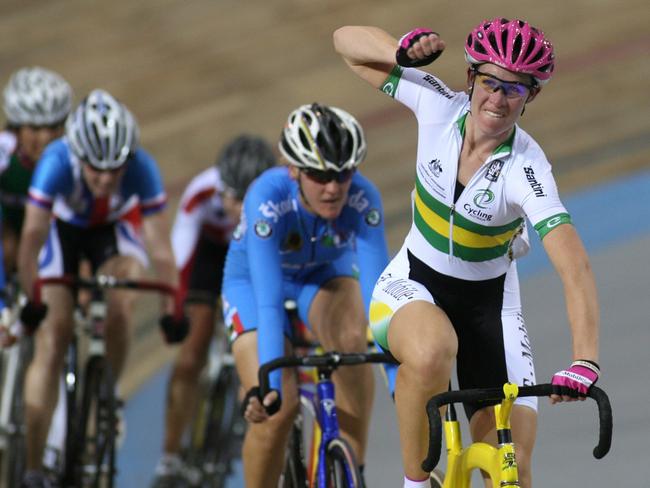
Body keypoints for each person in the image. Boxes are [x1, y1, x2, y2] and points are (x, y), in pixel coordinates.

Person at [333, 18, 600, 488]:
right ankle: (415, 483)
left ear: (531, 97)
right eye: (490, 83)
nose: (497, 99)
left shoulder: (528, 169)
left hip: (490, 310)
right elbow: (346, 43)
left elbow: (573, 265)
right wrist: (400, 52)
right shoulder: (437, 104)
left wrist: (585, 360)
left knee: (511, 468)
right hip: (412, 285)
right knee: (433, 348)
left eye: (514, 90)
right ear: (470, 78)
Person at [17, 88, 187, 488]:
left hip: (113, 231)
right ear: (78, 156)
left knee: (122, 302)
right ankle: (33, 466)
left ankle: (107, 393)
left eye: (117, 168)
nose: (107, 178)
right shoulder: (56, 162)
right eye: (97, 169)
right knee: (54, 335)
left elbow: (161, 251)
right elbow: (32, 238)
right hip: (65, 231)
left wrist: (170, 308)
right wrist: (33, 295)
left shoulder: (143, 168)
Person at [222, 103, 389, 487]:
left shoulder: (364, 198)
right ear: (294, 170)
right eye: (318, 175)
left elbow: (380, 299)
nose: (332, 188)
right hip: (255, 285)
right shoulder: (266, 197)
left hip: (322, 274)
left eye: (342, 174)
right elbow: (267, 303)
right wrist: (271, 389)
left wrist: (399, 381)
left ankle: (350, 469)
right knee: (278, 412)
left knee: (351, 342)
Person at [150, 134, 277, 486]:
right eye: (232, 198)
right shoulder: (201, 193)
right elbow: (182, 259)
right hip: (209, 256)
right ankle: (170, 458)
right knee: (191, 356)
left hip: (255, 251)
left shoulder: (277, 197)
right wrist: (175, 310)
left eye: (246, 199)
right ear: (221, 190)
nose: (238, 208)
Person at [1, 67, 73, 276]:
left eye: (53, 127)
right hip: (11, 229)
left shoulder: (73, 155)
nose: (45, 138)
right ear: (16, 128)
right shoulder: (4, 151)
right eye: (34, 129)